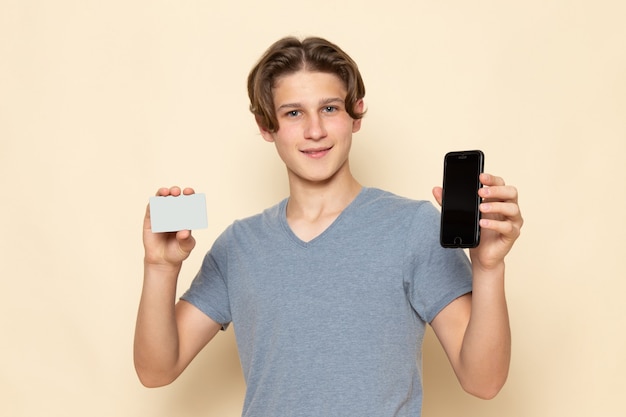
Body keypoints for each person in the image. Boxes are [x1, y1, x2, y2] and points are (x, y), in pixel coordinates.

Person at [134, 36, 523, 416]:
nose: (315, 130)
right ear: (266, 126)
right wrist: (160, 268)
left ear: (356, 113)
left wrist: (489, 268)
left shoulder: (413, 228)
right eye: (293, 113)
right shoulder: (239, 245)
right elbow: (156, 371)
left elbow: (483, 382)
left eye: (330, 109)